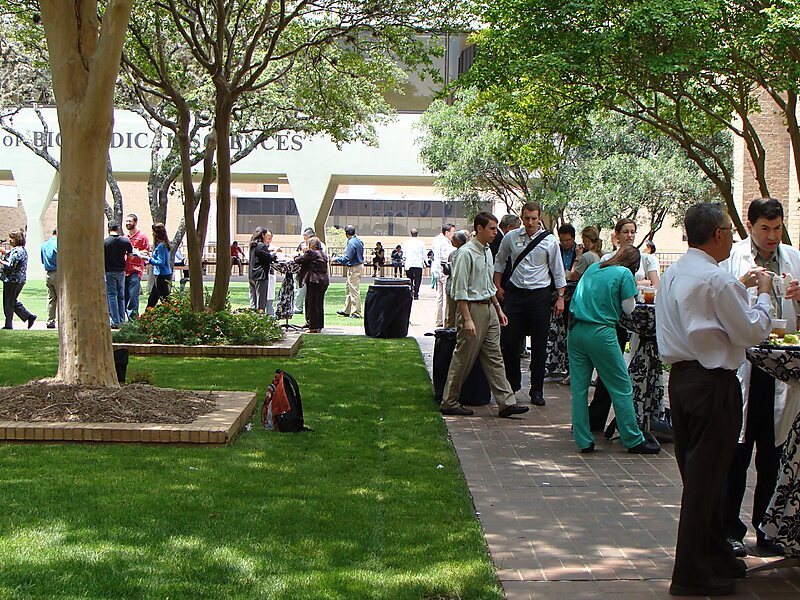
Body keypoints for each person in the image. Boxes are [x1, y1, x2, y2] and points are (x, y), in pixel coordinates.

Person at [656, 202, 773, 597]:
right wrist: (764, 297)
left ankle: (715, 554)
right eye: (729, 228)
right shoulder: (715, 279)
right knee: (705, 481)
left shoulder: (675, 274)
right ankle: (690, 573)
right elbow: (751, 332)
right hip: (712, 384)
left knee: (699, 475)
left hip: (684, 381)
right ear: (718, 234)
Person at [719, 197, 800, 558]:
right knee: (737, 454)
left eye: (777, 228)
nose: (771, 236)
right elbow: (719, 304)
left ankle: (767, 529)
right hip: (745, 366)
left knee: (774, 453)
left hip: (783, 370)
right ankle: (729, 530)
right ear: (749, 226)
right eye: (764, 228)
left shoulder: (795, 260)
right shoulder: (732, 259)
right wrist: (741, 283)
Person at [568, 245, 660, 454]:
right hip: (602, 333)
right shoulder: (624, 273)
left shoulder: (594, 267)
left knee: (579, 390)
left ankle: (584, 440)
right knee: (621, 387)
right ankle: (633, 438)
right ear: (634, 265)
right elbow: (628, 308)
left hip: (576, 331)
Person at [440, 212, 529, 419]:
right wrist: (467, 318)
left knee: (495, 357)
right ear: (479, 228)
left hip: (488, 308)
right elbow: (459, 289)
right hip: (472, 309)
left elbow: (488, 286)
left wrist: (498, 309)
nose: (494, 233)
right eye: (491, 228)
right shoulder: (466, 253)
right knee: (463, 357)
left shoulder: (487, 251)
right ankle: (449, 401)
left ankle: (506, 402)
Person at [589, 218, 660, 431]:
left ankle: (646, 417)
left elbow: (656, 284)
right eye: (625, 232)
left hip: (642, 320)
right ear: (616, 235)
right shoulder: (608, 259)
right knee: (611, 369)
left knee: (642, 365)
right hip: (617, 319)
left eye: (633, 232)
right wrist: (638, 283)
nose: (629, 236)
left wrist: (637, 284)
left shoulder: (646, 258)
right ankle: (597, 418)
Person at [493, 202, 567, 407]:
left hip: (540, 296)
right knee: (508, 340)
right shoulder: (511, 237)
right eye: (526, 218)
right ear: (522, 218)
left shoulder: (549, 241)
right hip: (515, 294)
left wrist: (560, 296)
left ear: (539, 218)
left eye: (534, 218)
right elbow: (500, 260)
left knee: (539, 344)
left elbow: (558, 270)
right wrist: (497, 285)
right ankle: (513, 384)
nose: (530, 222)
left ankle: (537, 390)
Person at [0, 229, 35, 329]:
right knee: (12, 301)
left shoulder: (17, 251)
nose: (10, 240)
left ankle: (9, 324)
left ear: (17, 239)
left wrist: (1, 262)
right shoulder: (22, 250)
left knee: (8, 303)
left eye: (12, 238)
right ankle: (29, 316)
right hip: (18, 280)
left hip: (12, 280)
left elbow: (11, 265)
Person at [294, 236, 329, 332]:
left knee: (312, 304)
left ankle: (313, 327)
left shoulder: (311, 253)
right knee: (319, 304)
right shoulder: (322, 253)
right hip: (324, 281)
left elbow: (299, 260)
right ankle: (319, 326)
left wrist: (299, 255)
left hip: (314, 281)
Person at [104, 222, 133, 328]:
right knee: (121, 296)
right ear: (118, 229)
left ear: (109, 229)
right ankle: (121, 319)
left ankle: (115, 321)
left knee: (112, 295)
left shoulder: (105, 242)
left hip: (109, 271)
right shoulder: (125, 241)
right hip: (121, 271)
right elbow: (130, 255)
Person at [333, 225, 365, 318]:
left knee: (354, 290)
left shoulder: (351, 243)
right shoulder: (358, 241)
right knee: (349, 288)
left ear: (346, 234)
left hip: (354, 267)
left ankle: (356, 312)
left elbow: (347, 258)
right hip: (357, 266)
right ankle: (347, 310)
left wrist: (337, 259)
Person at [124, 213, 150, 320]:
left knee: (133, 296)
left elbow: (147, 252)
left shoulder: (142, 237)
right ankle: (126, 319)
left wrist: (136, 252)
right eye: (126, 221)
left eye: (130, 221)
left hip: (136, 270)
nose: (127, 223)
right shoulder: (125, 238)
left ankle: (133, 319)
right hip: (124, 270)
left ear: (135, 222)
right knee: (125, 296)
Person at [431, 224, 456, 327]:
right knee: (446, 297)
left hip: (437, 271)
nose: (453, 234)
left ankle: (438, 320)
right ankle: (446, 320)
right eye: (453, 232)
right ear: (447, 232)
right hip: (444, 270)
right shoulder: (445, 243)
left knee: (439, 297)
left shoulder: (437, 240)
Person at [444, 230, 469, 329]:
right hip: (451, 287)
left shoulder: (464, 253)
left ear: (460, 241)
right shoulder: (453, 254)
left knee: (457, 314)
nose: (452, 240)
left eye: (454, 239)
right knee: (451, 314)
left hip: (459, 287)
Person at [145, 223, 172, 308]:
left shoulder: (161, 246)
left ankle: (172, 315)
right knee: (152, 298)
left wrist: (148, 259)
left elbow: (161, 262)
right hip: (162, 274)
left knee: (165, 299)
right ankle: (147, 316)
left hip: (162, 275)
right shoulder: (163, 245)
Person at [248, 227, 274, 311]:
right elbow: (268, 258)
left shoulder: (253, 245)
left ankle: (253, 317)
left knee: (253, 300)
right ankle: (260, 318)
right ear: (262, 235)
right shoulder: (261, 246)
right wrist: (275, 255)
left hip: (252, 275)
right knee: (261, 301)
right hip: (260, 275)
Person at [40, 229, 58, 328]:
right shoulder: (58, 244)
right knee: (62, 298)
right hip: (58, 272)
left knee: (51, 298)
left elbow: (43, 260)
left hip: (48, 273)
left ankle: (50, 320)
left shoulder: (44, 245)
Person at [403, 228, 426, 300]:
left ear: (411, 233)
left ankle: (410, 292)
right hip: (418, 264)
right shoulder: (421, 243)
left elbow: (404, 254)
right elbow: (424, 254)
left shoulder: (407, 243)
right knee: (418, 280)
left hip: (409, 263)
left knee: (409, 279)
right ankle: (416, 294)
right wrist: (426, 262)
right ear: (417, 234)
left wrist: (404, 260)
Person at [263, 230, 280, 316]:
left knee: (270, 296)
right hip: (261, 275)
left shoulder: (274, 248)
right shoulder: (259, 247)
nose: (268, 240)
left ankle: (270, 315)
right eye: (267, 238)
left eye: (270, 238)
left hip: (271, 273)